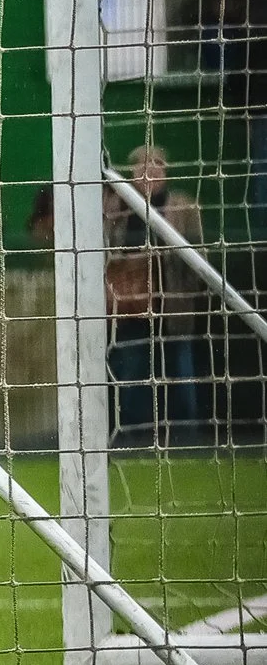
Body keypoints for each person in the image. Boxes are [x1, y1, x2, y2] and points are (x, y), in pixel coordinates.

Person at [106, 143, 207, 444]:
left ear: (166, 170)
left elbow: (199, 257)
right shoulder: (117, 206)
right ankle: (134, 433)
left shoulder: (184, 206)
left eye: (157, 164)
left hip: (173, 302)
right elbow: (107, 248)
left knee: (180, 367)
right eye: (141, 166)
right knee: (133, 368)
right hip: (132, 303)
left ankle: (188, 433)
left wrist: (185, 287)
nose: (149, 171)